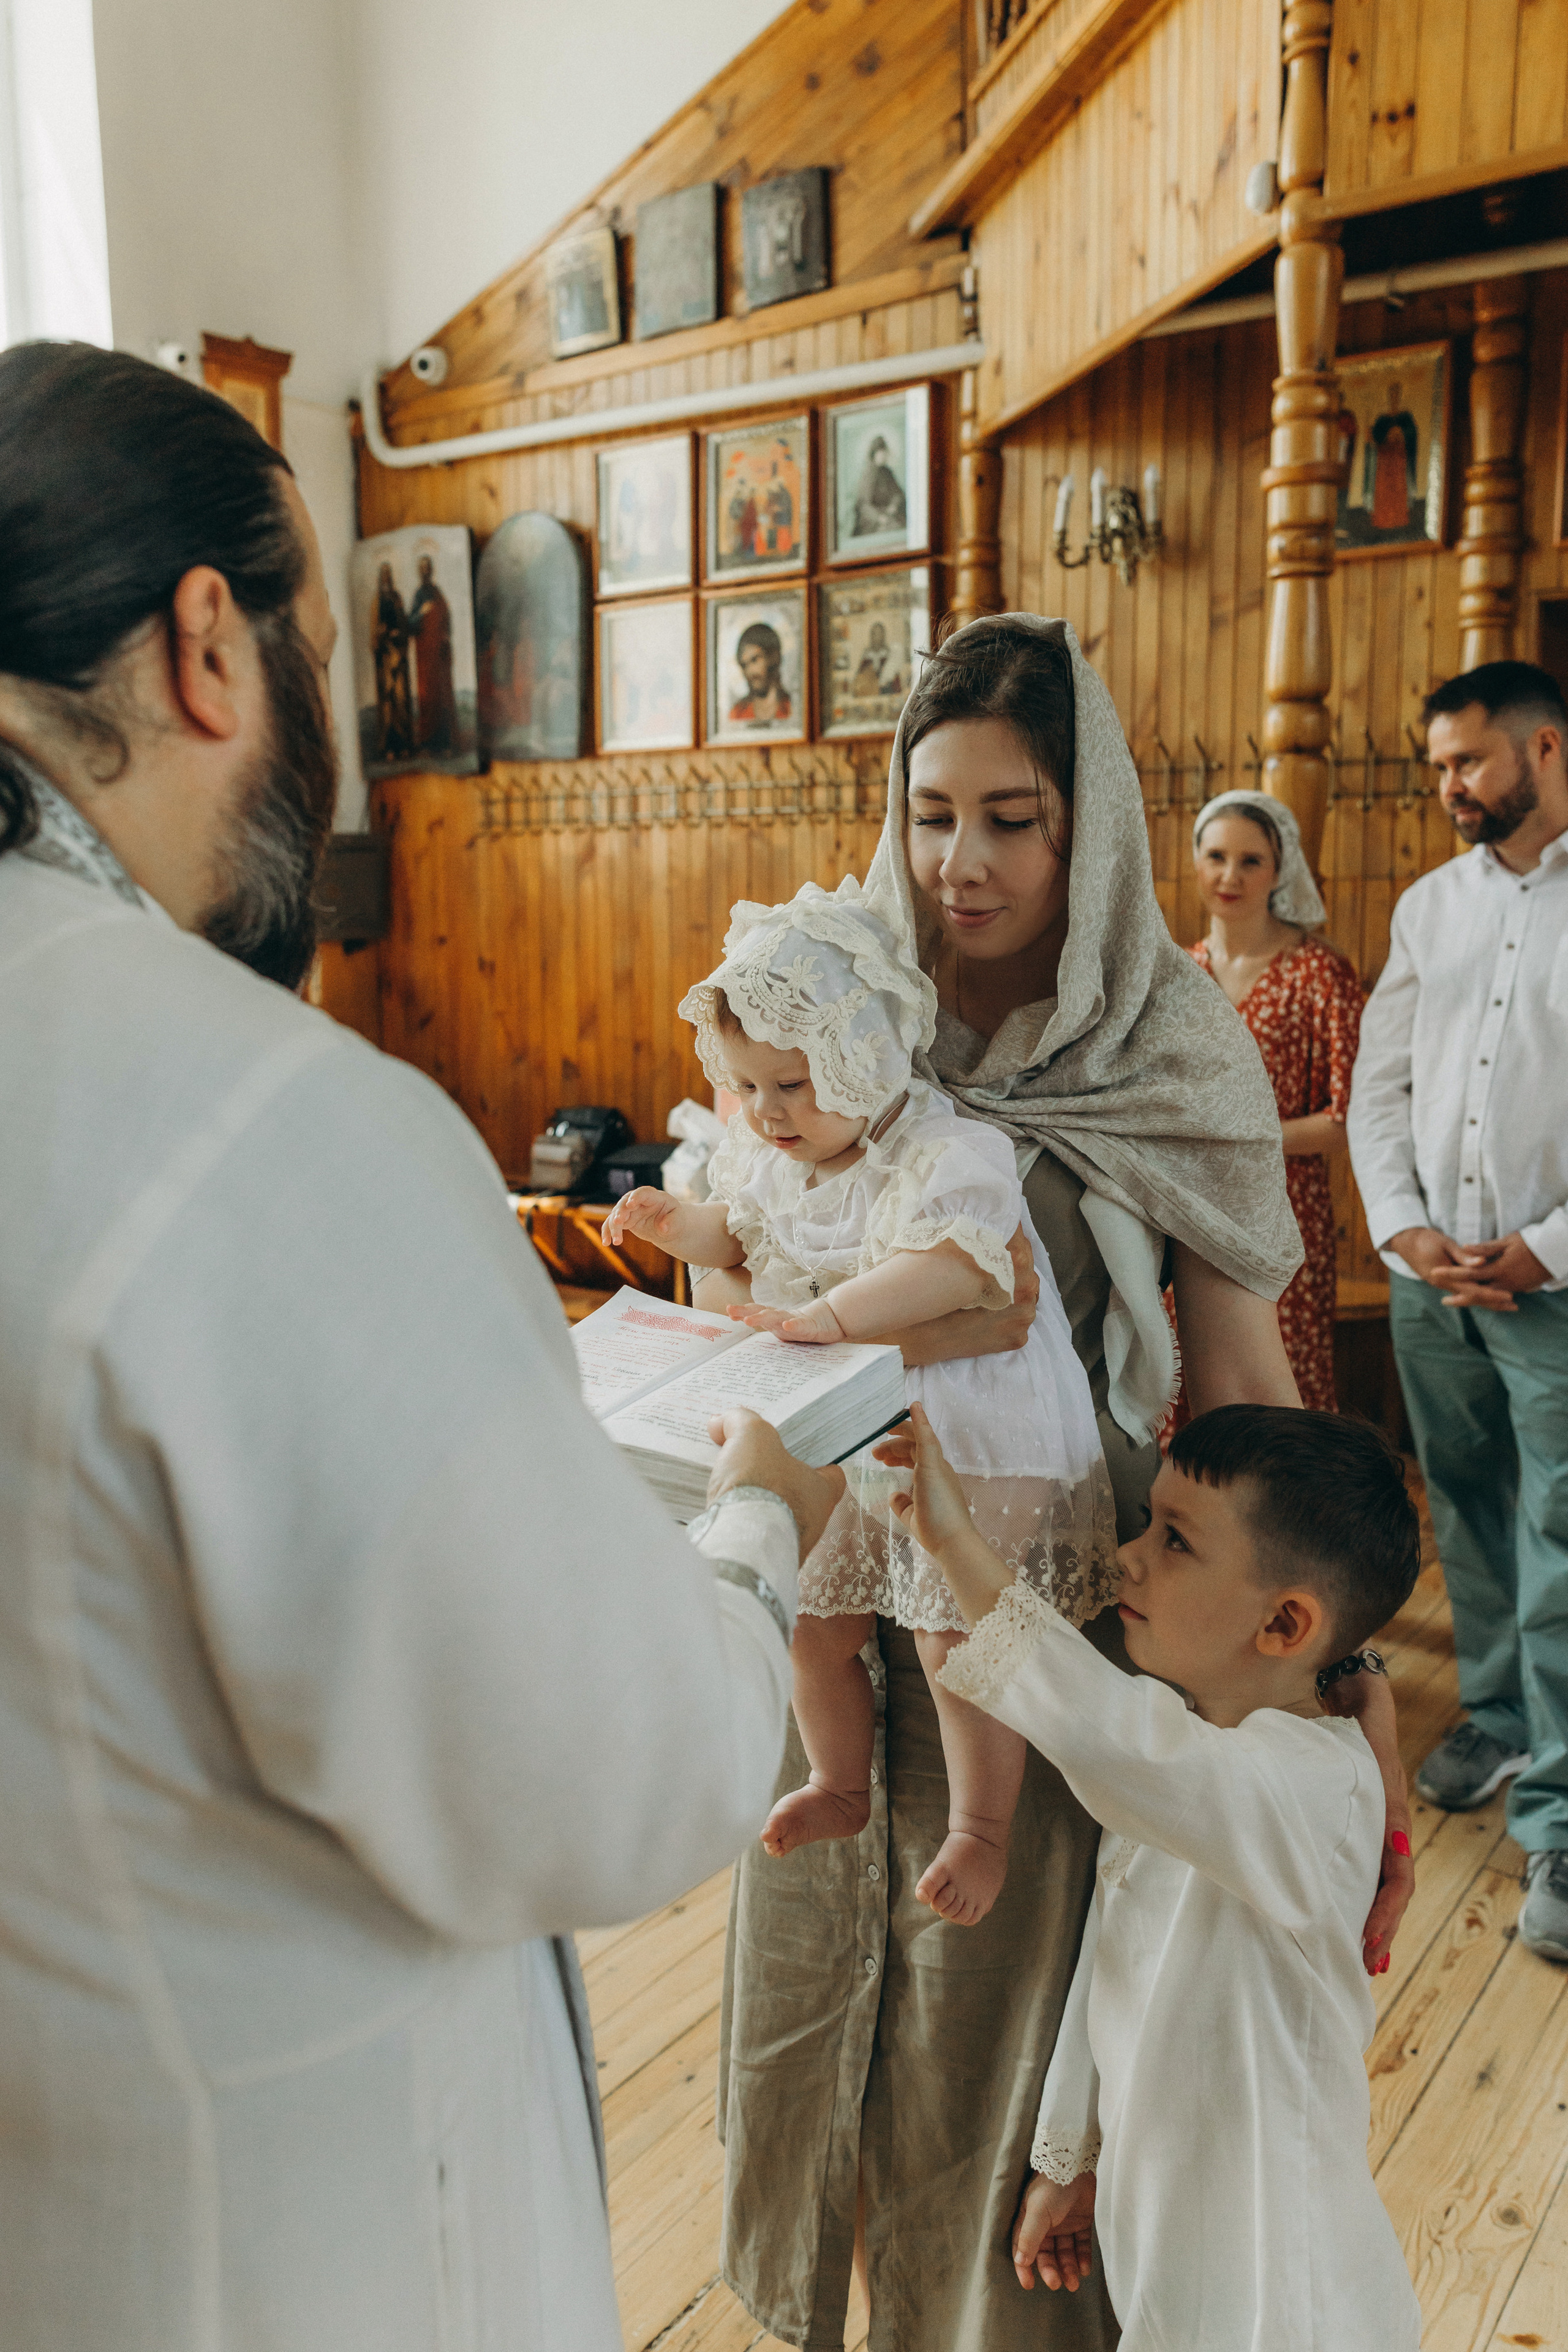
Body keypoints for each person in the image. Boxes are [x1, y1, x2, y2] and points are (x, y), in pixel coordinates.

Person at [0, 340, 844, 2352]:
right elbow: (599, 1777)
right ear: (216, 646)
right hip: (282, 2256)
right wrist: (744, 1537)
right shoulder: (259, 1115)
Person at [707, 614, 1415, 2352]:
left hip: (1051, 1610)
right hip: (832, 1582)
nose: (961, 863)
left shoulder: (1170, 1045)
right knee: (816, 2006)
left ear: (1084, 821)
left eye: (1012, 817)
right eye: (931, 811)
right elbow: (746, 1232)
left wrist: (1334, 1682)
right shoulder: (834, 994)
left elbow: (1246, 1395)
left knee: (994, 2054)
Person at [607, 880, 1116, 1926]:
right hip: (856, 1434)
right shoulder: (777, 1156)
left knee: (952, 1641)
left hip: (969, 1434)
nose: (768, 1112)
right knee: (812, 1623)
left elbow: (951, 1266)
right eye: (748, 1087)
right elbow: (741, 1234)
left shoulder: (949, 1150)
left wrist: (833, 1316)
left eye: (793, 1083)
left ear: (867, 1057)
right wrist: (680, 1224)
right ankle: (841, 1780)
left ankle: (981, 1825)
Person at [878, 1401, 1422, 2351]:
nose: (1129, 1555)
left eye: (1175, 1542)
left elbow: (1116, 1737)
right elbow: (1116, 1963)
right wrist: (1071, 2160)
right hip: (1166, 2235)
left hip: (1284, 2290)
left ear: (1286, 1623)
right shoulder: (1198, 1764)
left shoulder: (1313, 1789)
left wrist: (956, 1541)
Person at [1348, 658, 1568, 1962]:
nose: (1445, 788)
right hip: (1435, 1282)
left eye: (1466, 763)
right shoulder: (1429, 909)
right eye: (1435, 765)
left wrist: (1541, 1250)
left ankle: (1559, 1817)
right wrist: (1402, 1229)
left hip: (1551, 1291)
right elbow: (1382, 1088)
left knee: (1560, 1539)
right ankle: (1492, 1712)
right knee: (1466, 1510)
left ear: (1543, 750)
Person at [1186, 790, 1365, 1409]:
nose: (1229, 876)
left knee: (1276, 1385)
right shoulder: (1178, 974)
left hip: (1282, 1211)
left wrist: (1246, 1139)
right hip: (1187, 1204)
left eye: (1250, 861)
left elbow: (1347, 1118)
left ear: (1278, 869)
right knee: (1186, 1375)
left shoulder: (1318, 973)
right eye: (1215, 856)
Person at [407, 549, 458, 755]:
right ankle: (428, 743)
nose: (425, 573)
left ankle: (445, 743)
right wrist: (422, 612)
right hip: (425, 657)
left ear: (431, 571)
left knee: (442, 696)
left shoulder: (438, 594)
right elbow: (410, 624)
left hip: (438, 655)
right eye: (422, 570)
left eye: (427, 569)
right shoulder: (419, 596)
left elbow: (447, 622)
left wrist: (445, 638)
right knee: (427, 697)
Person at [729, 620, 791, 725]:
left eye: (755, 660)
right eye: (744, 665)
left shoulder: (792, 708)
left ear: (774, 657)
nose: (749, 672)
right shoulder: (738, 713)